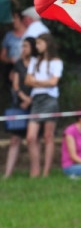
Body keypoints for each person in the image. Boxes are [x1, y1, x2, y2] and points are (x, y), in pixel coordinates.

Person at [25, 33, 63, 177]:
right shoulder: (35, 61)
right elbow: (28, 81)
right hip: (37, 99)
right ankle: (35, 170)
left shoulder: (56, 62)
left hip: (50, 99)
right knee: (31, 137)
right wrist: (43, 83)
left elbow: (54, 82)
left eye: (39, 43)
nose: (37, 46)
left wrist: (37, 82)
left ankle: (46, 172)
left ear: (47, 43)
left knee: (48, 136)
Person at [3, 37, 37, 178]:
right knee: (15, 139)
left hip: (36, 105)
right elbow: (15, 85)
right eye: (23, 46)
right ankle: (7, 174)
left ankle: (34, 173)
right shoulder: (18, 64)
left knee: (33, 139)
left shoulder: (38, 64)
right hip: (20, 105)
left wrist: (31, 100)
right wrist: (24, 98)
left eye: (26, 46)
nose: (24, 49)